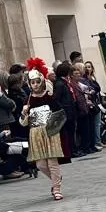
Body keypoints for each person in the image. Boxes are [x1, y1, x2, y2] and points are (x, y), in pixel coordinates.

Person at [20, 59, 66, 200]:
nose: (35, 85)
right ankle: (55, 178)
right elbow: (23, 123)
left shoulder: (49, 97)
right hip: (36, 134)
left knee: (52, 162)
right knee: (40, 165)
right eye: (32, 82)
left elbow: (60, 114)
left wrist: (55, 126)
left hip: (50, 132)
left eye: (37, 81)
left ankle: (56, 188)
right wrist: (24, 113)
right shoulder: (27, 101)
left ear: (42, 81)